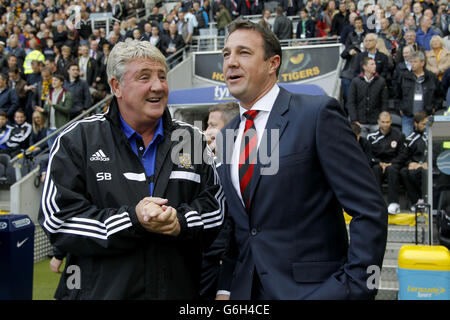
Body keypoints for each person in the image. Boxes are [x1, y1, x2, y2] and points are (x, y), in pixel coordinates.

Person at [38, 39, 224, 300]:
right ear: (117, 87)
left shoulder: (191, 140)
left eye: (162, 76)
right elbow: (58, 221)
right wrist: (132, 219)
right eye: (144, 77)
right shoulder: (77, 139)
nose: (158, 86)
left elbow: (215, 209)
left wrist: (179, 222)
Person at [215, 20, 387, 300]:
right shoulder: (227, 136)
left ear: (273, 63)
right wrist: (225, 287)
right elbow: (239, 227)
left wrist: (356, 288)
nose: (231, 62)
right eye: (226, 54)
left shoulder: (317, 114)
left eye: (243, 52)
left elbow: (369, 210)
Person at [200, 101, 239, 299]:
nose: (207, 132)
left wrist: (226, 286)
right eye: (207, 125)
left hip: (222, 264)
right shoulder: (207, 162)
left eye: (213, 126)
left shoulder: (239, 170)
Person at [367, 111, 406, 215]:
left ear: (391, 121)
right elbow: (369, 154)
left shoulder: (399, 135)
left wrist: (391, 163)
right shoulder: (371, 137)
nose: (385, 124)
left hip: (393, 163)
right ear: (378, 122)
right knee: (375, 169)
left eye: (388, 122)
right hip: (378, 164)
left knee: (392, 170)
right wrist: (380, 163)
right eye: (383, 122)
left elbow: (403, 154)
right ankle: (375, 202)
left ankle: (394, 203)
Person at [396, 51, 442, 136]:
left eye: (415, 62)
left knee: (427, 141)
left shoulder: (431, 77)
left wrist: (434, 108)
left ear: (422, 63)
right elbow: (397, 94)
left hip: (426, 116)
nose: (412, 64)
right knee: (406, 141)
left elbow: (439, 95)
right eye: (411, 62)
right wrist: (401, 108)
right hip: (408, 116)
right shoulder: (404, 76)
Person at [348, 57, 388, 138]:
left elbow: (384, 101)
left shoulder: (381, 81)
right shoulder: (356, 81)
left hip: (376, 122)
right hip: (360, 121)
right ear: (365, 67)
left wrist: (382, 119)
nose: (375, 66)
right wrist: (354, 120)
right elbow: (351, 102)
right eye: (372, 64)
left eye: (375, 64)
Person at [399, 111, 428, 211]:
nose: (426, 126)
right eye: (423, 124)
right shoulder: (410, 139)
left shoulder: (430, 137)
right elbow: (403, 156)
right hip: (415, 166)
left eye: (427, 124)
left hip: (428, 165)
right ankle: (416, 202)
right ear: (416, 123)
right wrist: (409, 163)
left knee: (422, 172)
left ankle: (424, 200)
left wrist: (427, 163)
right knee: (404, 172)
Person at [36, 73, 72, 149]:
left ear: (61, 82)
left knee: (62, 149)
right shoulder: (49, 94)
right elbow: (47, 108)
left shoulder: (67, 94)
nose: (53, 82)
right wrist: (42, 110)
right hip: (50, 127)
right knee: (52, 150)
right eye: (52, 80)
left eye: (56, 80)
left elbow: (67, 109)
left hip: (61, 126)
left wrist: (53, 105)